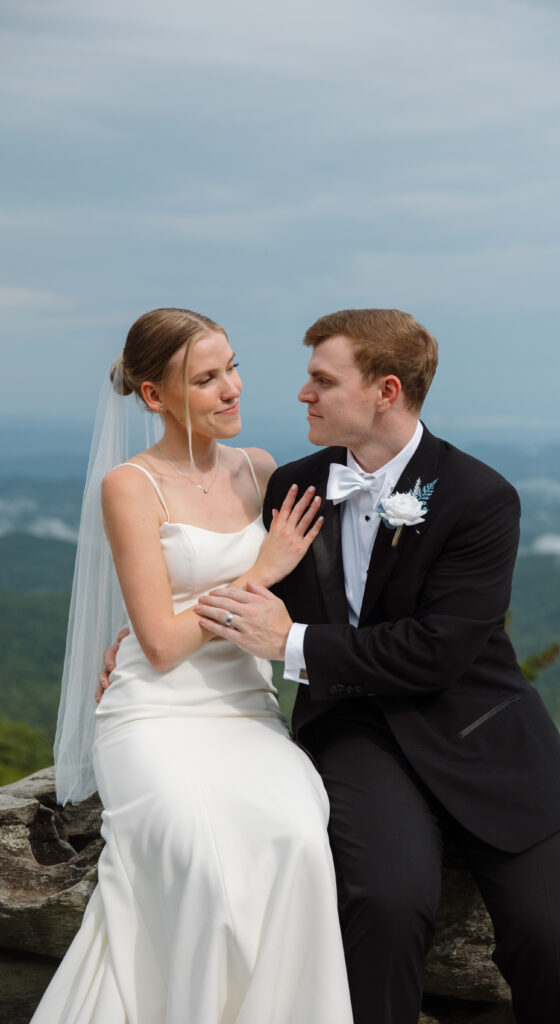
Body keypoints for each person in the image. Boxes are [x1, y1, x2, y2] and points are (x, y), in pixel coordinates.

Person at [194, 309, 560, 1024]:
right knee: (384, 906)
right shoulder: (290, 486)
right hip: (354, 730)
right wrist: (140, 643)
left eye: (322, 380)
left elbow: (434, 651)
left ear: (386, 390)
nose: (302, 394)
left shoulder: (479, 497)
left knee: (549, 939)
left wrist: (290, 642)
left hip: (482, 735)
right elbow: (226, 579)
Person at [34, 308, 353, 1024]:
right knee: (202, 859)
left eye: (232, 367)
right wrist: (260, 571)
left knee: (299, 838)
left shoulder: (261, 470)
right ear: (154, 397)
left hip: (244, 709)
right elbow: (163, 644)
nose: (231, 388)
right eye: (206, 379)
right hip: (155, 714)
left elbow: (314, 600)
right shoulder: (131, 486)